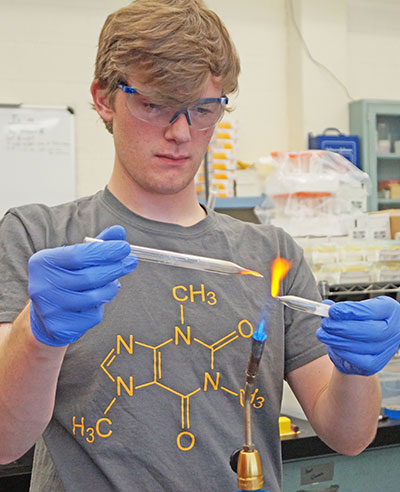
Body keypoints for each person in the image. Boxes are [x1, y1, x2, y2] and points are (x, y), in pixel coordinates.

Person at [0, 1, 399, 491]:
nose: (181, 133)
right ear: (104, 99)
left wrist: (358, 369)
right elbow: (4, 441)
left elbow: (350, 437)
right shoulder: (40, 240)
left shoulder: (273, 254)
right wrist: (39, 335)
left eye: (204, 110)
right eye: (154, 105)